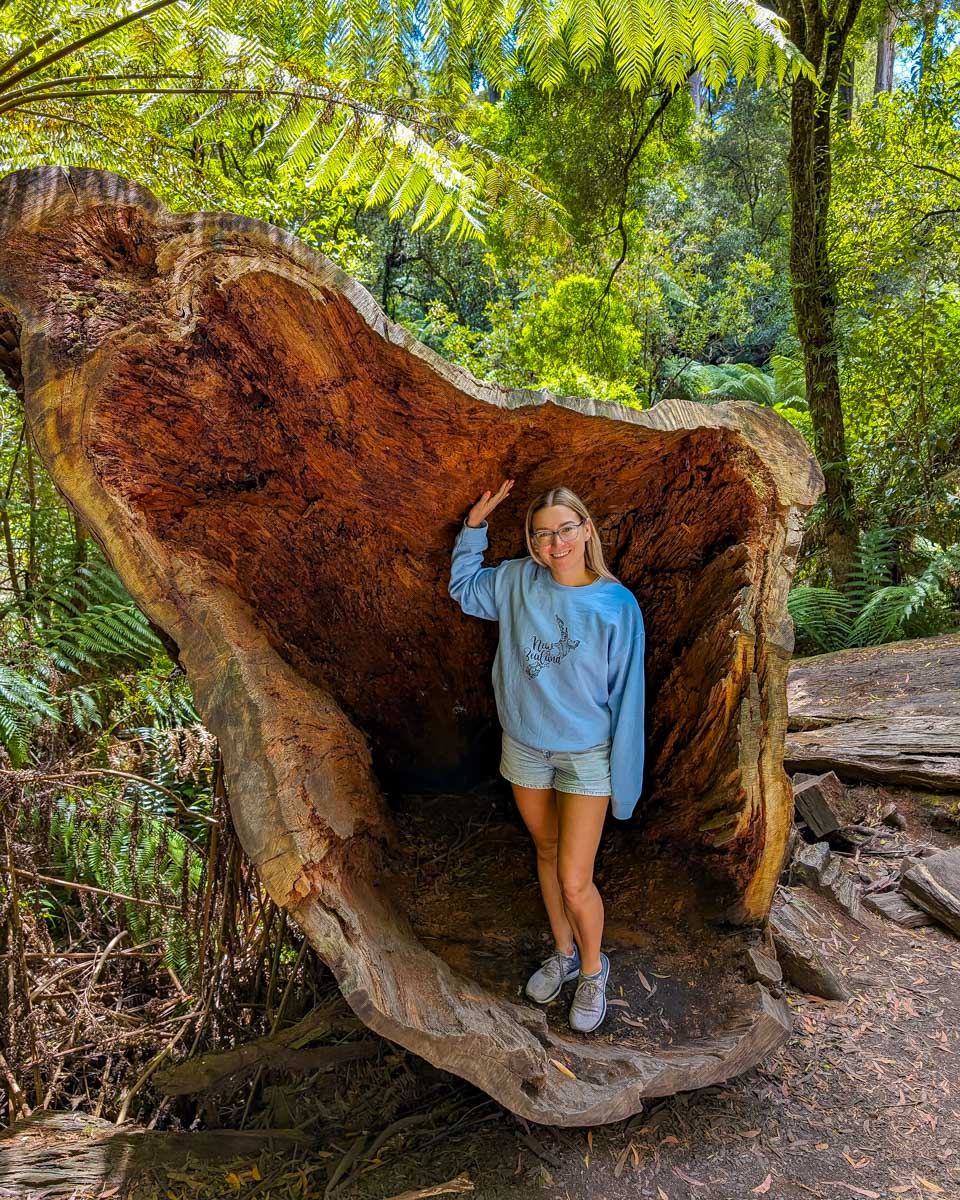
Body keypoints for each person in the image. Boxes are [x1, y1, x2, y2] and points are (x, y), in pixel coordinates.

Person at [449, 480, 645, 1033]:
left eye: (565, 530)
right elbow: (464, 589)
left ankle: (591, 969)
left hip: (586, 756)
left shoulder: (616, 605)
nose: (555, 544)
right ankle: (561, 952)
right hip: (526, 747)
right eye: (542, 535)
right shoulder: (515, 581)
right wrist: (474, 529)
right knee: (545, 847)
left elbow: (628, 698)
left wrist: (624, 784)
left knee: (576, 878)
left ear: (586, 530)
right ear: (532, 543)